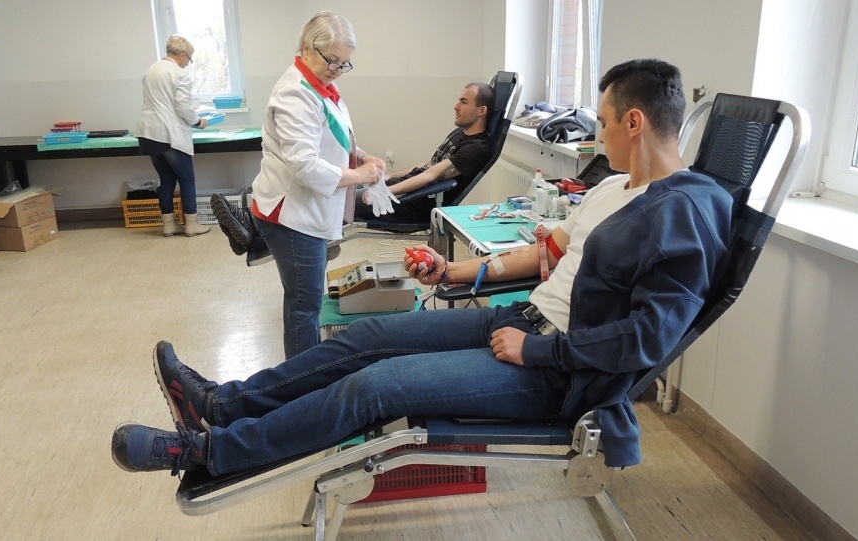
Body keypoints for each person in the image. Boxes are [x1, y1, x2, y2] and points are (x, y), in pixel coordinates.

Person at [112, 59, 734, 479]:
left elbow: (647, 340)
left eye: (601, 124)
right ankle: (221, 403)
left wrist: (539, 354)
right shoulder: (614, 188)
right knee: (367, 338)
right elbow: (547, 255)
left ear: (635, 121)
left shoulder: (684, 216)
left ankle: (208, 452)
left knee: (378, 385)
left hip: (558, 371)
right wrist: (454, 274)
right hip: (523, 318)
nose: (597, 138)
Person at [210, 11, 385, 360]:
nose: (337, 69)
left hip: (304, 208)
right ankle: (303, 387)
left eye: (345, 63)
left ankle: (253, 231)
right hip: (292, 214)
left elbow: (332, 137)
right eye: (332, 60)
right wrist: (360, 177)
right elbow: (305, 165)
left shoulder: (322, 87)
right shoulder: (295, 94)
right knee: (304, 306)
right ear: (307, 48)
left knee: (306, 299)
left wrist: (362, 156)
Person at [352, 82, 496, 224]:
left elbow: (430, 176)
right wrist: (389, 176)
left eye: (464, 102)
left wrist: (385, 192)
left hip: (410, 205)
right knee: (345, 187)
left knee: (341, 202)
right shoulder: (461, 132)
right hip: (402, 190)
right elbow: (429, 163)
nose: (456, 107)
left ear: (481, 111)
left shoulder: (476, 148)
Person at [135, 35, 212, 238]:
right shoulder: (179, 74)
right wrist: (199, 122)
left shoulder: (151, 70)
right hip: (169, 134)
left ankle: (169, 225)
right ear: (183, 55)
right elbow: (183, 107)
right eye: (189, 59)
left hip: (148, 133)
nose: (188, 64)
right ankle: (191, 224)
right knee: (187, 180)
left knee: (166, 180)